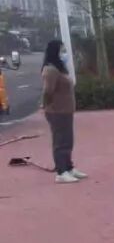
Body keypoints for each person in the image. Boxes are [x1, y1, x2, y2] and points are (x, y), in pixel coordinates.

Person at [41, 40, 85, 184]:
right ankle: (61, 172)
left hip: (66, 111)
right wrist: (46, 105)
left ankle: (69, 167)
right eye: (62, 50)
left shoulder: (59, 68)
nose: (64, 53)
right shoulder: (50, 70)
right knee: (60, 142)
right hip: (57, 112)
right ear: (55, 51)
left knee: (68, 141)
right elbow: (47, 91)